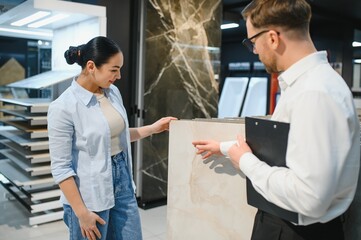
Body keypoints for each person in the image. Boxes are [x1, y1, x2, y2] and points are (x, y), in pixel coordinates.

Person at [192, 0, 360, 239]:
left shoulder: (314, 92)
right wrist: (226, 148)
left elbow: (309, 198)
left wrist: (246, 162)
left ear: (272, 38)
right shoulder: (310, 84)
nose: (255, 50)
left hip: (295, 231)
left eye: (252, 42)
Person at [48, 36, 176, 240]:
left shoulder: (112, 93)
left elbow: (116, 136)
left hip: (122, 180)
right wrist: (82, 213)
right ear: (91, 66)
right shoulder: (63, 107)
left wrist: (152, 128)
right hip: (89, 195)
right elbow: (61, 168)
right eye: (114, 70)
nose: (119, 76)